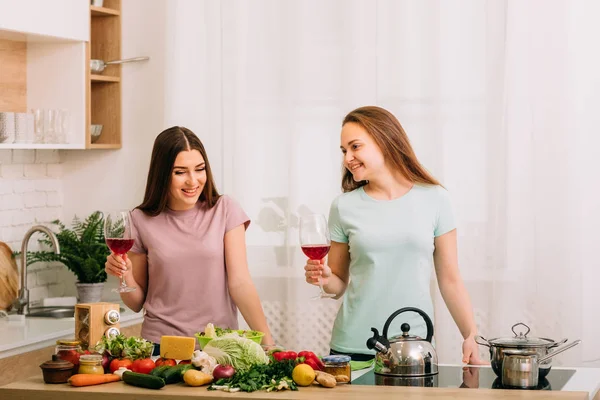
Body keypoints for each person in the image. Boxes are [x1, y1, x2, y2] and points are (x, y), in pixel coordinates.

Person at [304, 106, 483, 364]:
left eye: (355, 147)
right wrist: (325, 278)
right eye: (344, 151)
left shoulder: (436, 199)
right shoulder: (343, 207)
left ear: (384, 140)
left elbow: (450, 280)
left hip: (413, 349)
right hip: (352, 347)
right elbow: (338, 283)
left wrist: (470, 334)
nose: (347, 158)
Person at [105, 126, 274, 353]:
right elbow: (136, 303)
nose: (193, 181)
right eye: (180, 172)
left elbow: (240, 283)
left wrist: (269, 344)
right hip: (161, 346)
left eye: (199, 169)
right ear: (162, 174)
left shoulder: (225, 209)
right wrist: (125, 276)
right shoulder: (140, 219)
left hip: (219, 345)